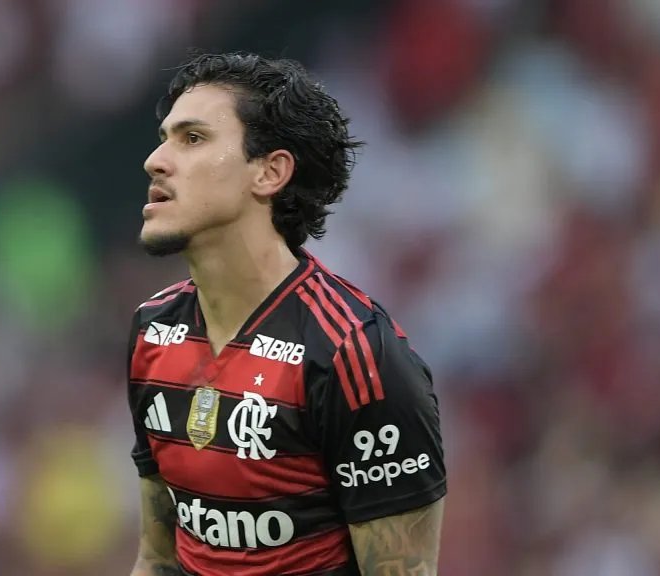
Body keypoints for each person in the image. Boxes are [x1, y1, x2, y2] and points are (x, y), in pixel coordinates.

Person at [126, 51, 446, 576]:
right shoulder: (154, 331)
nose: (156, 160)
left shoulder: (354, 352)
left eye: (193, 138)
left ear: (270, 173)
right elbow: (159, 559)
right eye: (165, 138)